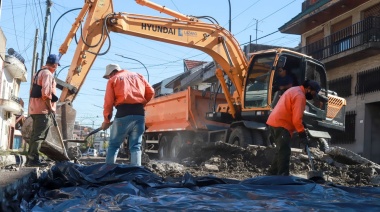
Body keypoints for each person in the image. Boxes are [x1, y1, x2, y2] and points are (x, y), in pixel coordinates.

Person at [101, 63, 155, 166]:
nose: (108, 78)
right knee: (136, 146)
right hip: (139, 114)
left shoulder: (113, 79)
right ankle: (136, 174)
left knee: (114, 145)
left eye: (108, 76)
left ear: (112, 73)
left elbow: (108, 102)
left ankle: (108, 171)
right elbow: (151, 92)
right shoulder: (138, 76)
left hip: (123, 113)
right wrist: (141, 103)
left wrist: (106, 120)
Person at [266, 79, 321, 176]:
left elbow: (291, 110)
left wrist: (301, 123)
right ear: (308, 88)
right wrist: (302, 133)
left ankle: (271, 174)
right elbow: (296, 120)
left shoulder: (294, 90)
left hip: (274, 122)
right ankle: (283, 175)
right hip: (281, 124)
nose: (313, 96)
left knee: (281, 150)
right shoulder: (300, 96)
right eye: (313, 93)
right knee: (285, 151)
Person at [27, 54, 60, 167]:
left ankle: (30, 158)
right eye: (57, 65)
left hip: (34, 109)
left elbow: (32, 91)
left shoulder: (38, 73)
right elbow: (46, 94)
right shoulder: (47, 74)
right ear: (55, 65)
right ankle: (33, 160)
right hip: (43, 110)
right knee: (40, 136)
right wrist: (50, 108)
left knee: (35, 135)